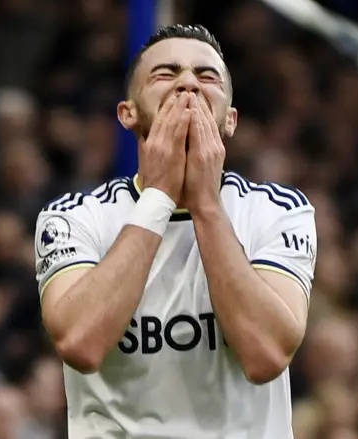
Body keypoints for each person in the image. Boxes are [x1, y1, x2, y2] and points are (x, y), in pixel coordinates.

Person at [34, 24, 317, 438]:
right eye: (166, 74)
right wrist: (160, 196)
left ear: (231, 120)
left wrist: (204, 205)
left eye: (207, 77)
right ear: (127, 113)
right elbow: (80, 343)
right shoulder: (75, 218)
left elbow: (267, 354)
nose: (188, 83)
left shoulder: (276, 211)